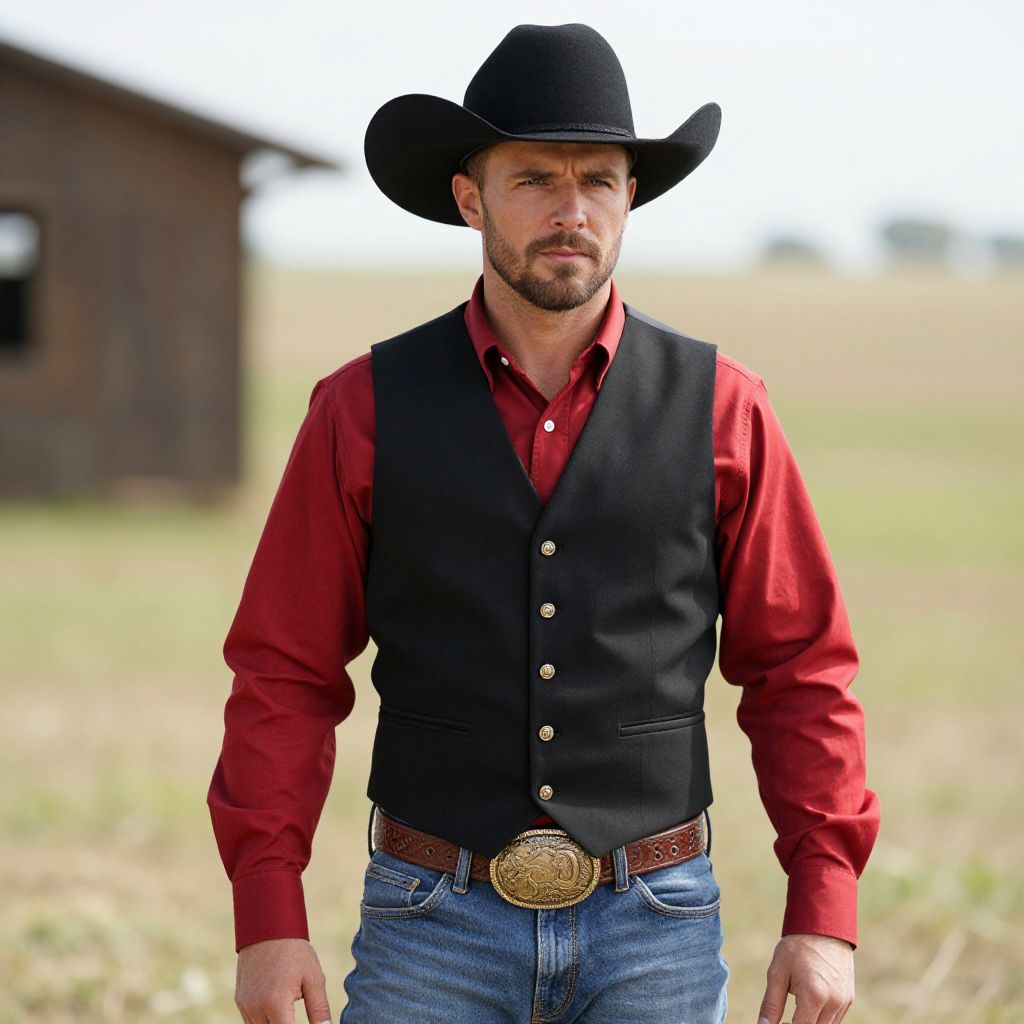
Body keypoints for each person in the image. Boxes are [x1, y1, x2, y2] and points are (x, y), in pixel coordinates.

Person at [208, 22, 880, 1024]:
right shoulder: (360, 407)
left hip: (657, 923)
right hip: (428, 921)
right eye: (533, 179)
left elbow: (801, 670)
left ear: (629, 197)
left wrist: (822, 908)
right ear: (469, 198)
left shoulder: (726, 408)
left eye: (598, 180)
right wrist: (268, 913)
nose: (571, 211)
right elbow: (284, 672)